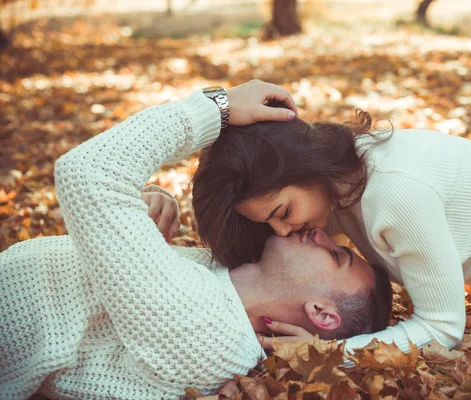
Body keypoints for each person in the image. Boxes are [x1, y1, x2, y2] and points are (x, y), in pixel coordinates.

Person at [0, 80, 393, 399]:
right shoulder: (226, 295)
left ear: (322, 312)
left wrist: (215, 107)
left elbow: (86, 173)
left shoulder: (205, 329)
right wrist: (152, 202)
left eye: (338, 257)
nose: (323, 235)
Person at [190, 99, 471, 351]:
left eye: (282, 214)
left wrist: (330, 354)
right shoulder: (335, 189)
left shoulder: (393, 191)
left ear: (308, 167)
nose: (282, 234)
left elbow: (442, 328)